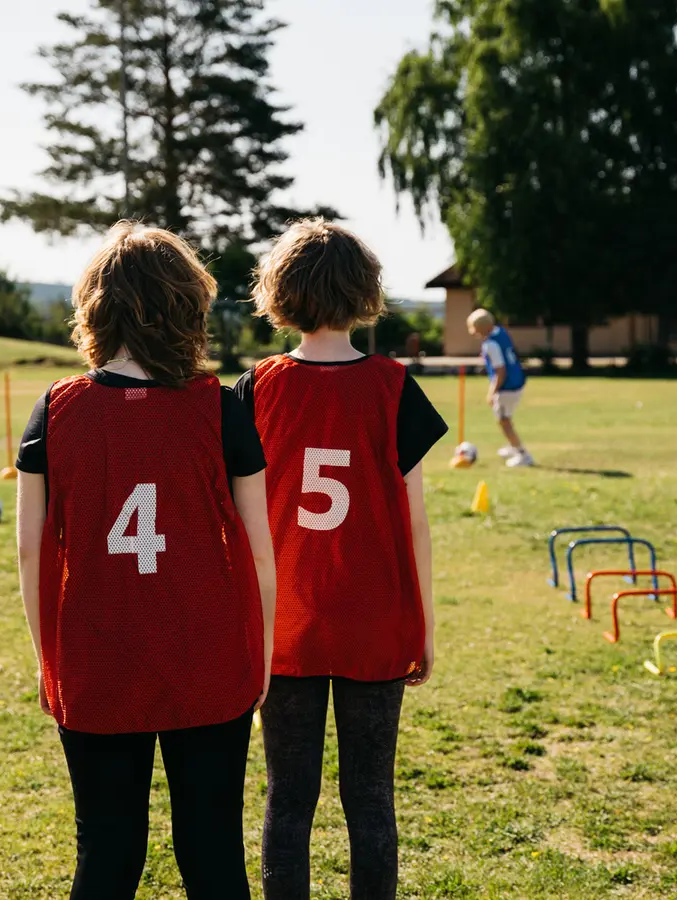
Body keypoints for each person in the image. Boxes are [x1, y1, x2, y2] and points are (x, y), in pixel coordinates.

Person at [15, 222, 276, 900]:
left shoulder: (54, 409)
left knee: (106, 848)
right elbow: (257, 548)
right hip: (207, 654)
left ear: (93, 307)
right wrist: (263, 652)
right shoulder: (219, 409)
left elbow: (29, 549)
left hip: (96, 659)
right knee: (214, 849)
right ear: (188, 306)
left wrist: (51, 661)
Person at [236, 219, 448, 900]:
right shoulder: (393, 385)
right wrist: (426, 629)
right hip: (375, 623)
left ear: (280, 293)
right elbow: (414, 524)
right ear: (365, 292)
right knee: (371, 801)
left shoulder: (256, 387)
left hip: (286, 625)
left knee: (287, 802)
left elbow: (238, 525)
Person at [466, 308, 533, 467]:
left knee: (504, 421)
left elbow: (500, 371)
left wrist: (492, 392)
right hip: (517, 382)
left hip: (507, 388)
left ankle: (523, 454)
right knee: (506, 418)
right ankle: (513, 446)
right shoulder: (501, 332)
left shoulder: (490, 344)